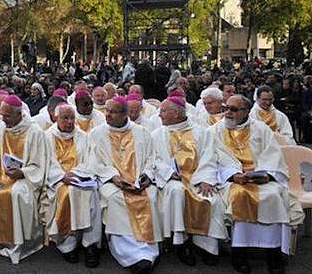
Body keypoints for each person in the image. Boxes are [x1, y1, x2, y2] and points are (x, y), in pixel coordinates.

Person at [209, 95, 303, 274]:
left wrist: (266, 174)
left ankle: (274, 254)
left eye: (234, 109)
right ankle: (240, 254)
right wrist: (232, 175)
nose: (227, 112)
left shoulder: (261, 129)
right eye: (226, 107)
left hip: (261, 177)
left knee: (273, 196)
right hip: (234, 180)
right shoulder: (215, 131)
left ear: (246, 111)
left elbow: (273, 155)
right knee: (240, 196)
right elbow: (211, 159)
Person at [91, 96, 161, 274]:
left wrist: (147, 175)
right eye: (106, 111)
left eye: (112, 112)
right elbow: (94, 162)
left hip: (139, 181)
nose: (107, 115)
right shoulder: (97, 134)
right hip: (112, 181)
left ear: (125, 114)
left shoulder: (141, 132)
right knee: (116, 199)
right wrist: (114, 178)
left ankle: (148, 251)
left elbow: (151, 158)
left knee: (151, 197)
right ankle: (127, 254)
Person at [152, 97, 226, 266]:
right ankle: (181, 242)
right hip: (172, 179)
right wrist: (169, 173)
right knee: (177, 192)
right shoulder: (157, 134)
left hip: (197, 177)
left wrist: (206, 179)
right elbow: (153, 159)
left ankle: (207, 246)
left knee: (211, 199)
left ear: (177, 113)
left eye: (163, 111)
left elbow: (210, 156)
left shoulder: (201, 132)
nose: (159, 115)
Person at [0, 95, 47, 264]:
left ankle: (19, 243)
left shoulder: (34, 131)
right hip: (1, 173)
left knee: (16, 193)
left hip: (25, 178)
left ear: (19, 113)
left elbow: (40, 165)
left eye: (7, 116)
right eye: (2, 114)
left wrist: (23, 172)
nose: (3, 119)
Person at [44, 104, 101, 267]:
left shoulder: (84, 136)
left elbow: (91, 160)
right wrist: (62, 176)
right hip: (57, 181)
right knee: (68, 194)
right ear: (56, 118)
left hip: (80, 177)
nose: (69, 122)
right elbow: (45, 162)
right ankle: (68, 245)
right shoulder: (46, 137)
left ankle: (91, 245)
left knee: (92, 192)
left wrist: (77, 174)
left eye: (72, 118)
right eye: (65, 118)